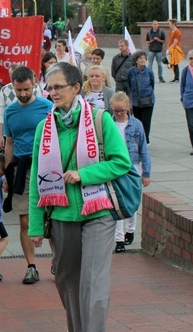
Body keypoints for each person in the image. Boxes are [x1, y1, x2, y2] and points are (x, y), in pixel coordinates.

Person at [29, 62, 131, 332]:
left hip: (98, 212)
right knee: (66, 280)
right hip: (62, 216)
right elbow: (35, 181)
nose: (52, 92)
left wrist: (84, 175)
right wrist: (36, 226)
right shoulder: (44, 128)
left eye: (58, 87)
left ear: (76, 88)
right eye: (49, 88)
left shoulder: (100, 119)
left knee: (92, 282)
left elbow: (121, 163)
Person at [3, 66, 53, 284]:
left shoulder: (47, 107)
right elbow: (9, 143)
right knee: (25, 219)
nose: (22, 93)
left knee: (52, 217)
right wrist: (7, 175)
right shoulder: (10, 111)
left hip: (46, 167)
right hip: (21, 168)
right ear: (12, 86)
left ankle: (57, 261)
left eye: (26, 89)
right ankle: (31, 265)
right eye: (18, 89)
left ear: (34, 84)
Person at [109, 92, 151, 253]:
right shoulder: (109, 124)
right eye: (116, 111)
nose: (119, 114)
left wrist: (146, 173)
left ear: (128, 108)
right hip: (115, 166)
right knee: (117, 201)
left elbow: (143, 150)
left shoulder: (136, 124)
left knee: (132, 200)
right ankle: (118, 239)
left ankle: (131, 229)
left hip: (133, 166)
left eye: (122, 111)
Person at [127, 50, 155, 145]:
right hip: (135, 101)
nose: (142, 60)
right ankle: (139, 138)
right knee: (137, 121)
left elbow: (152, 84)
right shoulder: (131, 72)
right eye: (140, 58)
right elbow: (129, 85)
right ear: (136, 60)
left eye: (144, 58)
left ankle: (145, 140)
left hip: (148, 100)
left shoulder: (149, 71)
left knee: (146, 122)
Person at [168, 19, 184, 83]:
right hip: (172, 49)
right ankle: (175, 77)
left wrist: (170, 50)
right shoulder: (172, 32)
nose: (169, 25)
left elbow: (175, 42)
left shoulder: (177, 32)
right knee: (173, 64)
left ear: (173, 24)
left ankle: (177, 78)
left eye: (169, 23)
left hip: (175, 49)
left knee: (175, 63)